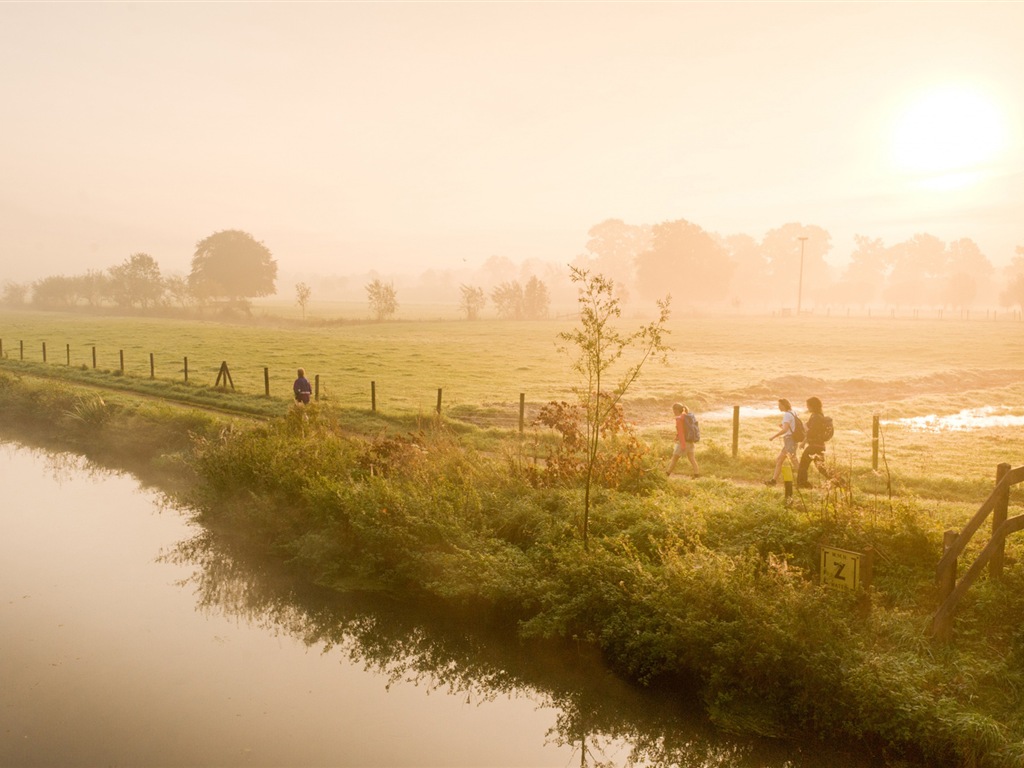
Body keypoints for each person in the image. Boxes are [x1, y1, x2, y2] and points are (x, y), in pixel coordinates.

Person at [797, 396, 827, 488]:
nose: (807, 407)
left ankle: (803, 484)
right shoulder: (818, 416)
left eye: (808, 405)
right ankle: (838, 481)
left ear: (812, 406)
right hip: (819, 445)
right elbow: (811, 432)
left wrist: (805, 427)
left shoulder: (816, 417)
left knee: (803, 465)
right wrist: (803, 442)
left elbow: (811, 432)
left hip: (813, 446)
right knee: (821, 468)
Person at [765, 398, 797, 486]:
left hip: (789, 440)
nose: (778, 407)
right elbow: (791, 428)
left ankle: (802, 480)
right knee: (780, 460)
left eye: (779, 405)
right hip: (791, 440)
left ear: (784, 405)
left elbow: (785, 430)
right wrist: (783, 427)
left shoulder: (787, 415)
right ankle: (773, 481)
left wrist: (773, 436)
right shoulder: (793, 412)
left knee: (794, 460)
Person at [667, 402, 700, 477]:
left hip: (684, 442)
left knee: (674, 459)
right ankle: (696, 474)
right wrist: (677, 436)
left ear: (676, 410)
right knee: (692, 458)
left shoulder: (679, 419)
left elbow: (681, 433)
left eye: (674, 410)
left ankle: (667, 474)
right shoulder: (686, 417)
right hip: (690, 441)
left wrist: (682, 445)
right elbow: (683, 430)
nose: (673, 412)